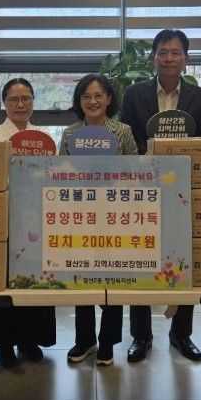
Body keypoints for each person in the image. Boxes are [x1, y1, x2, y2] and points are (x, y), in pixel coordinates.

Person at [120, 29, 201, 363]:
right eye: (163, 52)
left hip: (184, 189)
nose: (169, 58)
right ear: (154, 57)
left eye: (175, 52)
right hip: (144, 187)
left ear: (186, 58)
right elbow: (128, 138)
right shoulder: (134, 94)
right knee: (140, 256)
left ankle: (181, 334)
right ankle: (141, 335)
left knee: (183, 257)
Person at [0, 78, 56, 368]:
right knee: (1, 282)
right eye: (14, 99)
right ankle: (3, 344)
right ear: (4, 103)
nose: (20, 104)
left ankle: (30, 340)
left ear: (33, 102)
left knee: (33, 280)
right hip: (1, 217)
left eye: (26, 98)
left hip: (35, 218)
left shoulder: (44, 136)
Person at [59, 73, 138, 366]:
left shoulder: (123, 132)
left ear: (109, 99)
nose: (92, 101)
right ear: (79, 101)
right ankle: (84, 340)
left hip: (115, 214)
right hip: (79, 214)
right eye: (86, 96)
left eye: (98, 95)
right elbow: (60, 171)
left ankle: (107, 342)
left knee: (112, 276)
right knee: (80, 274)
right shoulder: (69, 134)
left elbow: (135, 170)